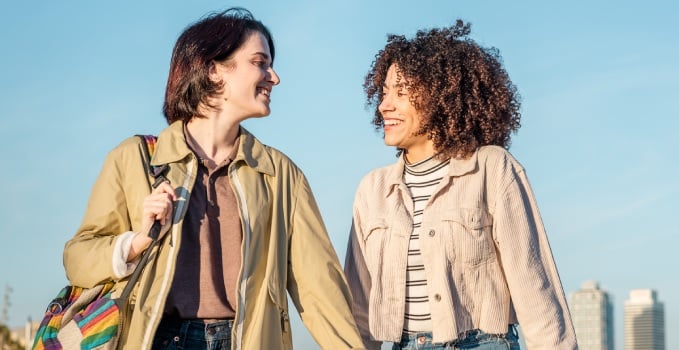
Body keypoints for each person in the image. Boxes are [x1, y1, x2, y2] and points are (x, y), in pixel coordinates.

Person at [63, 8, 365, 350]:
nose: (274, 77)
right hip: (158, 339)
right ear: (213, 69)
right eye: (260, 62)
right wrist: (136, 243)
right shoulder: (135, 159)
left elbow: (320, 288)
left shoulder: (281, 175)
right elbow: (77, 258)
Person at [344, 20, 578, 350]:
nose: (385, 105)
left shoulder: (492, 168)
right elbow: (357, 311)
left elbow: (534, 286)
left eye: (401, 92)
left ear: (441, 96)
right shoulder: (372, 190)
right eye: (384, 93)